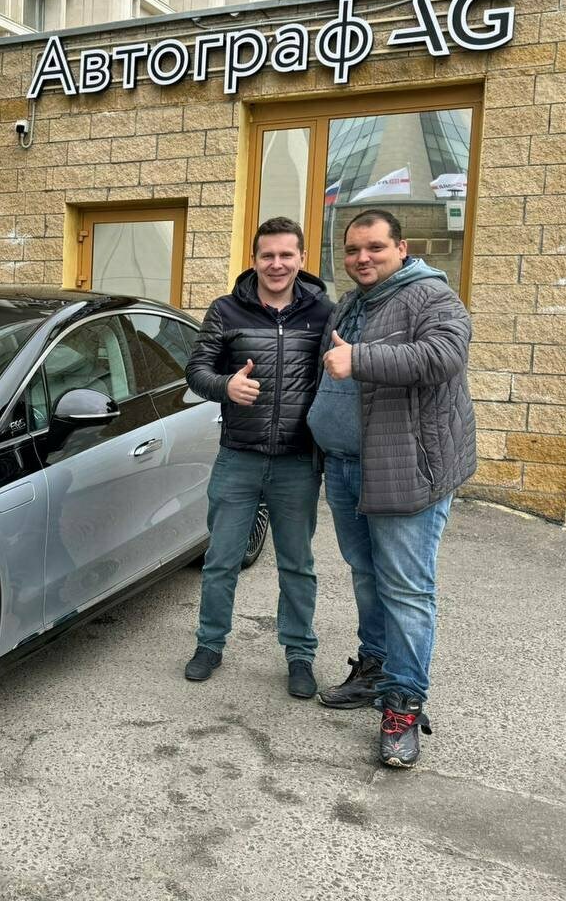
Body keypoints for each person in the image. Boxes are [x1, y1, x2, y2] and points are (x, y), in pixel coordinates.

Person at [307, 208, 476, 769]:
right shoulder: (352, 303)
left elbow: (443, 356)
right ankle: (376, 668)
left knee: (406, 588)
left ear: (401, 248)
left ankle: (403, 703)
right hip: (346, 466)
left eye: (375, 247)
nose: (363, 258)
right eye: (353, 249)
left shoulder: (433, 297)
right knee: (366, 574)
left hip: (406, 469)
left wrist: (359, 359)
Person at [183, 216, 334, 698]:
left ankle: (300, 655)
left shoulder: (323, 313)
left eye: (286, 254)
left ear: (302, 259)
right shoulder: (226, 310)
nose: (277, 264)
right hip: (239, 457)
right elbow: (196, 371)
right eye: (267, 255)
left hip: (297, 461)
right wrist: (225, 386)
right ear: (254, 259)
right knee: (221, 560)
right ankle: (209, 644)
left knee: (297, 565)